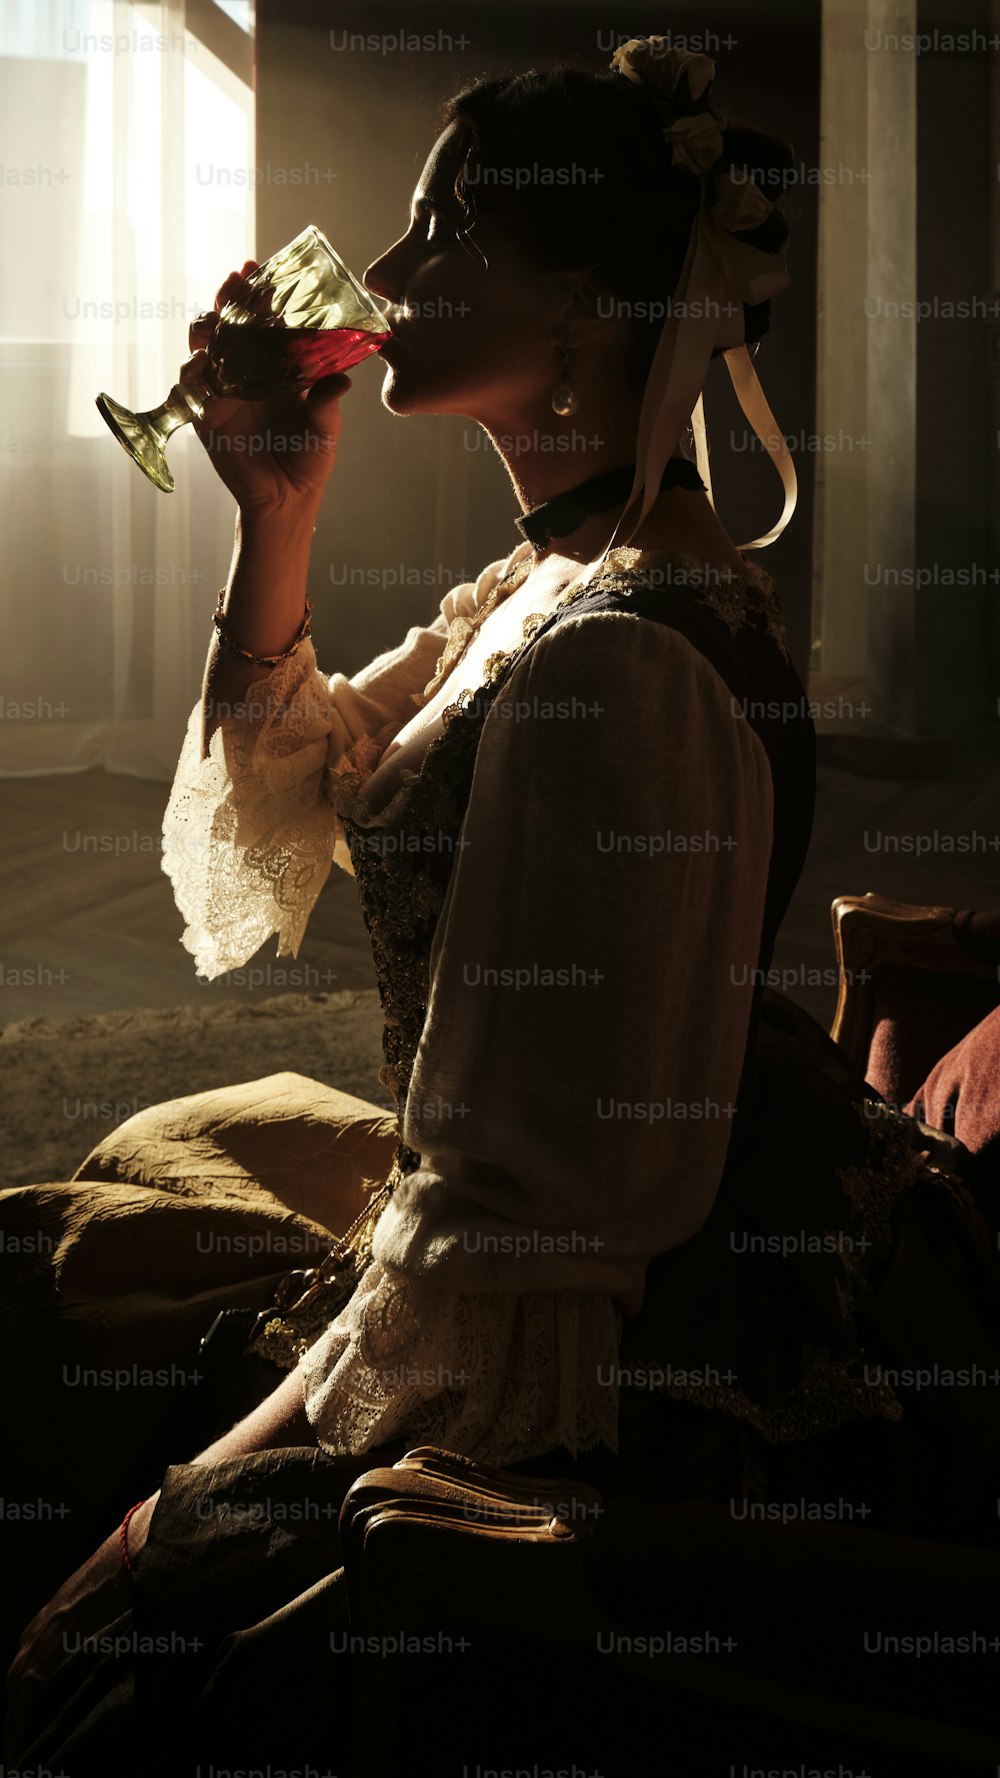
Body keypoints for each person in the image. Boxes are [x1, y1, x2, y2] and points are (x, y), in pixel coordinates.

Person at [6, 37, 1000, 1773]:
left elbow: (528, 1237)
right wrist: (278, 510)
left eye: (450, 233)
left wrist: (201, 1494)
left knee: (128, 1514)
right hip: (527, 1174)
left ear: (599, 300)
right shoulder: (557, 574)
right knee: (106, 1202)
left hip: (612, 1323)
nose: (385, 281)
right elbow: (303, 779)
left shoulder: (614, 660)